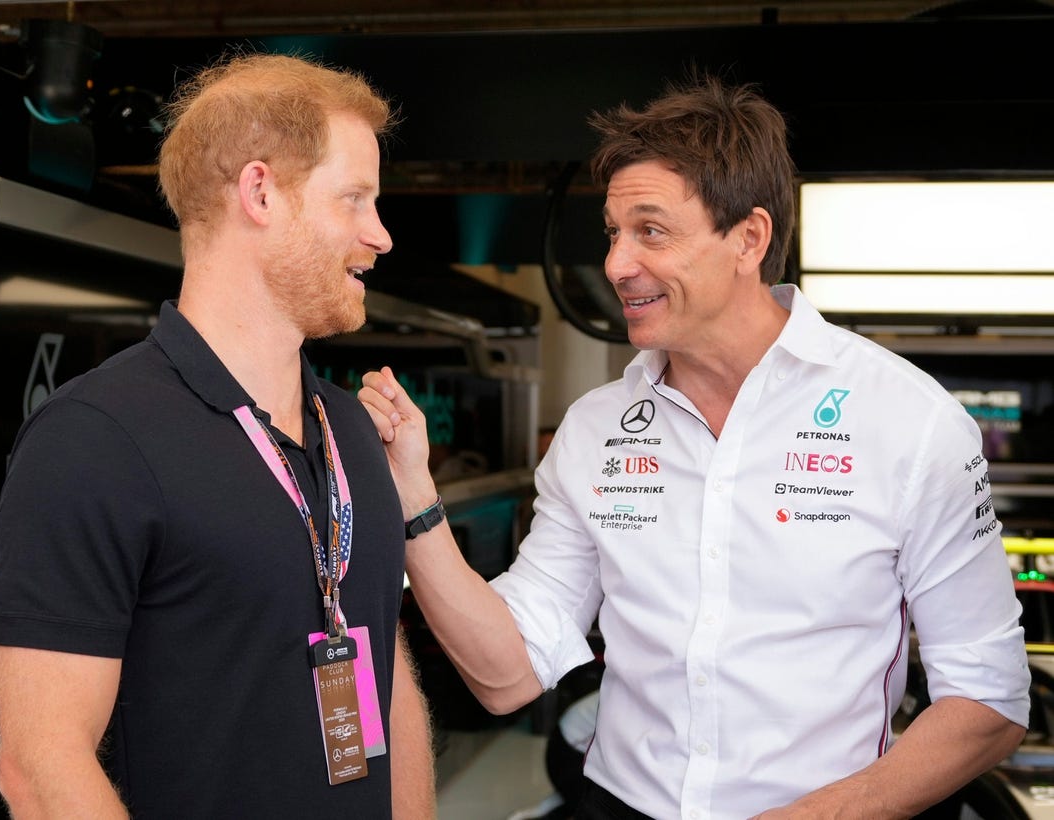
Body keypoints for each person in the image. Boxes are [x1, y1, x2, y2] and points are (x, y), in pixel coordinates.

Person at [359, 76, 1031, 819]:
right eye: (613, 232)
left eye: (651, 230)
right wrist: (416, 501)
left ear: (749, 237)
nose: (616, 264)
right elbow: (506, 674)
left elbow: (989, 701)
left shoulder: (911, 422)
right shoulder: (595, 430)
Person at [0, 53, 434, 819]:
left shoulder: (353, 432)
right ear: (260, 192)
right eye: (355, 200)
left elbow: (381, 674)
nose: (381, 236)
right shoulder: (95, 438)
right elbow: (40, 766)